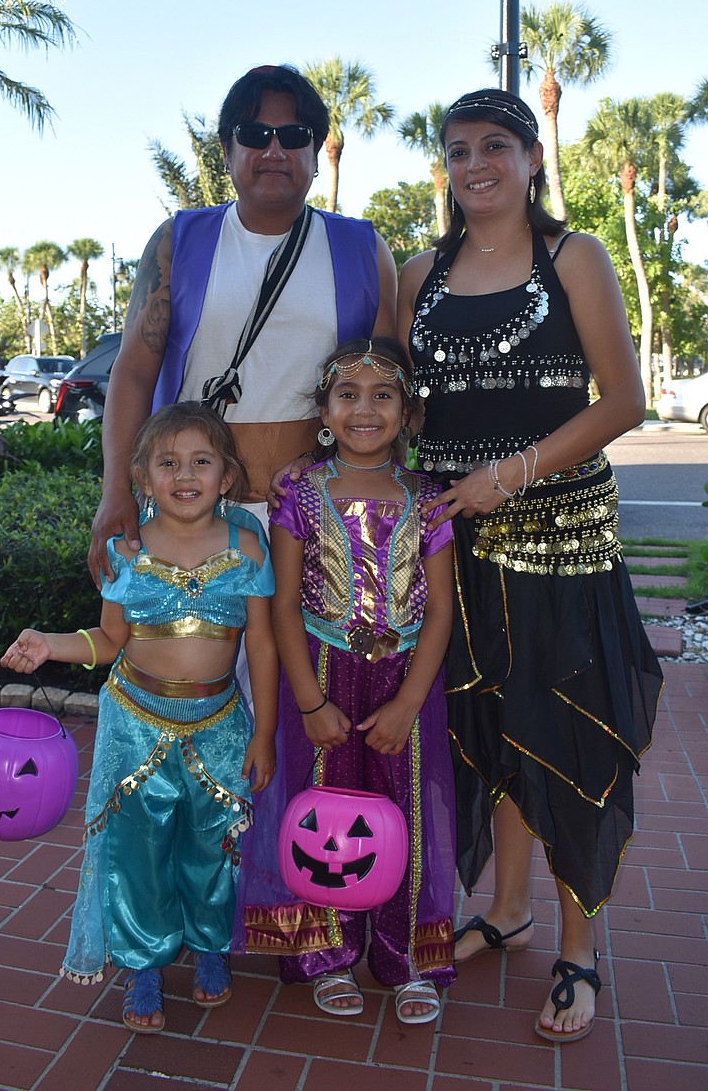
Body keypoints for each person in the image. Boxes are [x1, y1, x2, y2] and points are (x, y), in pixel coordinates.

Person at [396, 88, 663, 1044]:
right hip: (454, 542)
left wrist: (510, 473)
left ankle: (579, 947)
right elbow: (398, 402)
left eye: (496, 146)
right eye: (458, 148)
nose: (476, 165)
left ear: (532, 158)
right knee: (487, 730)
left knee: (571, 738)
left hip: (561, 540)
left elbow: (623, 400)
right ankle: (505, 909)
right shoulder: (416, 271)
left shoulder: (574, 256)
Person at [1, 402, 278, 1034]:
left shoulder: (246, 545)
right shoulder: (125, 550)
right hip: (136, 725)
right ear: (143, 476)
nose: (186, 474)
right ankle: (144, 962)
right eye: (168, 462)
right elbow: (107, 640)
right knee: (140, 851)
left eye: (201, 461)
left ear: (227, 476)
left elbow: (261, 645)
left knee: (214, 843)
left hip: (220, 724)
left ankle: (210, 947)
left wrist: (263, 731)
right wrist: (50, 642)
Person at [89, 63, 397, 588]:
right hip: (189, 507)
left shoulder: (363, 251)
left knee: (307, 669)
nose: (274, 150)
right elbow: (134, 372)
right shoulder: (177, 243)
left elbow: (388, 388)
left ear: (316, 155)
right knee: (188, 664)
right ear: (227, 152)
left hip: (318, 510)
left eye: (293, 136)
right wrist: (115, 488)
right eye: (254, 135)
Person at [236, 338, 456, 1025]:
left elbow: (444, 608)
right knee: (324, 816)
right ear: (325, 411)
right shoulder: (301, 492)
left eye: (383, 395)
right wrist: (308, 700)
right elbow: (279, 603)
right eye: (348, 395)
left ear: (408, 412)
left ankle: (407, 958)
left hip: (405, 682)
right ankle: (323, 951)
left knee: (408, 818)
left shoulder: (428, 500)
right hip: (324, 671)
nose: (365, 409)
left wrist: (410, 701)